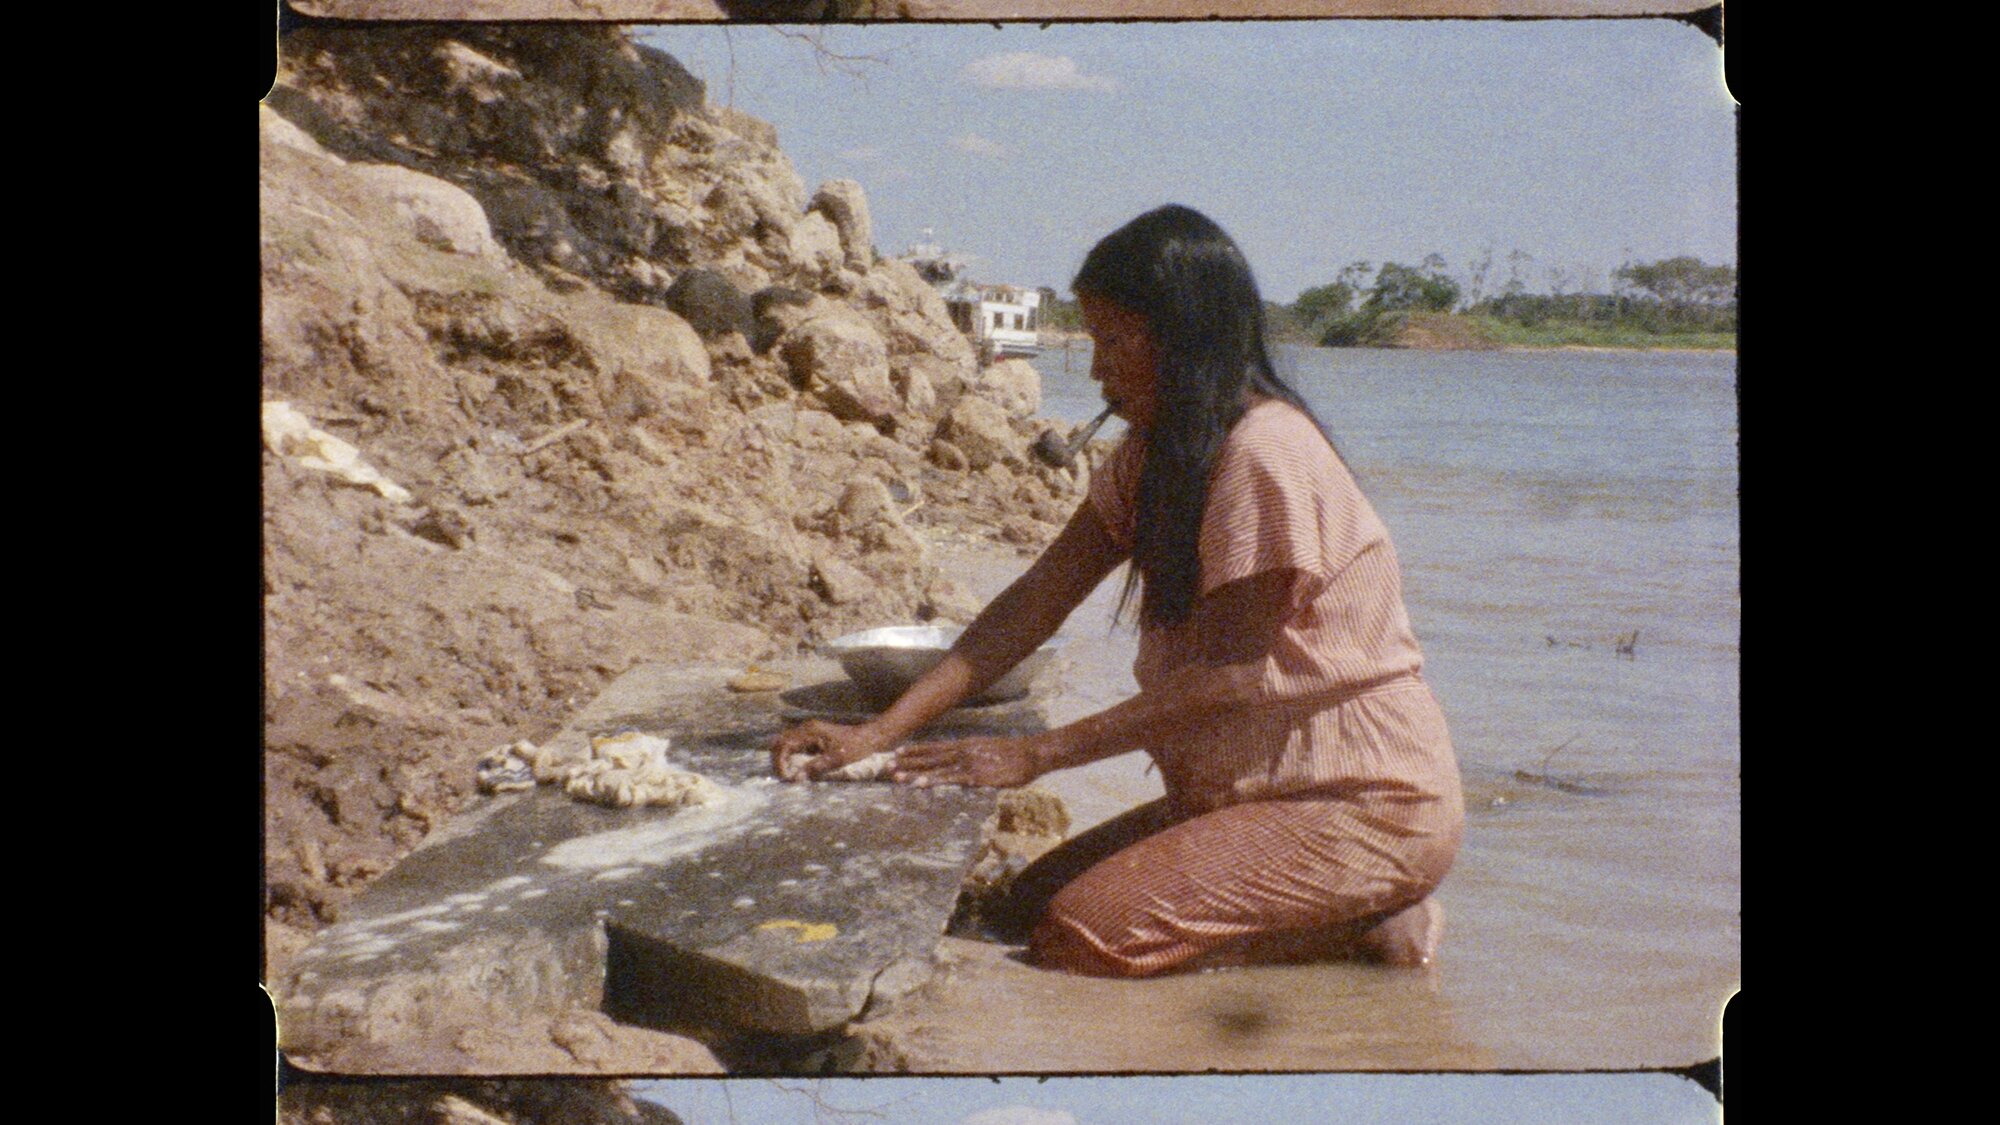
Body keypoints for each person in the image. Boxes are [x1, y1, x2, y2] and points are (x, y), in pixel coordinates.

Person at [770, 205, 1463, 978]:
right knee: (1022, 907)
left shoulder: (1264, 453)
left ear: (1182, 339)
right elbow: (1036, 598)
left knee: (1078, 939)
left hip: (1359, 803)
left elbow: (1229, 677)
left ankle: (1367, 925)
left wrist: (1034, 754)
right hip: (1253, 794)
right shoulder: (1153, 457)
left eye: (1111, 342)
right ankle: (1327, 909)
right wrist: (880, 731)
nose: (1096, 370)